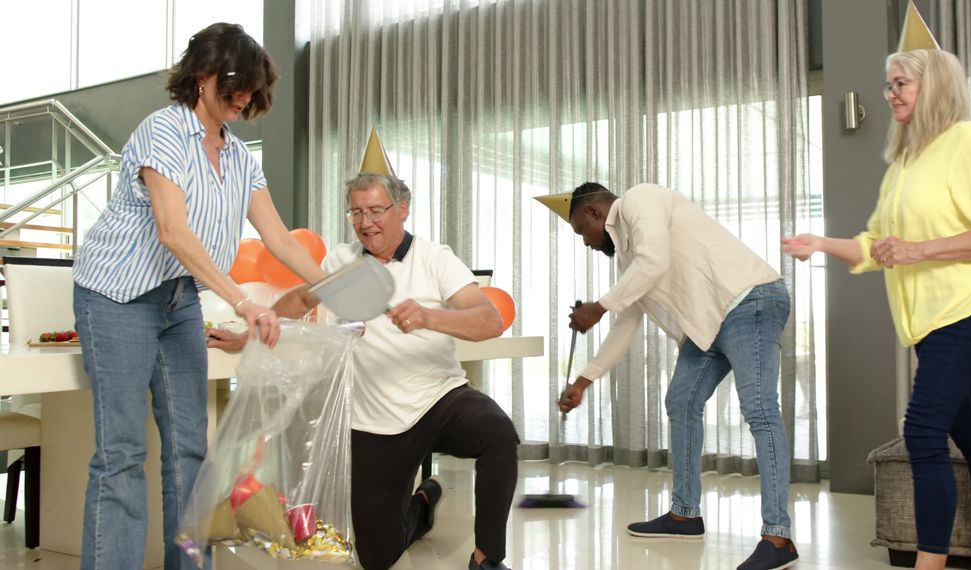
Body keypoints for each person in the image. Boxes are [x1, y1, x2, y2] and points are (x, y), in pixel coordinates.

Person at [71, 23, 326, 570]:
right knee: (123, 455)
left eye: (252, 92)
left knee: (190, 449)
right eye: (237, 87)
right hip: (115, 297)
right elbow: (173, 232)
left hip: (176, 302)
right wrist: (244, 302)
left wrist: (333, 286)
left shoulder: (238, 157)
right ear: (204, 76)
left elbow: (279, 239)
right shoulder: (162, 132)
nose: (244, 100)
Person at [782, 47, 971, 569]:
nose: (890, 93)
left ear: (933, 86)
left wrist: (919, 250)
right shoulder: (902, 162)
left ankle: (929, 564)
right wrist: (821, 244)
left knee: (921, 430)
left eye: (901, 84)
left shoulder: (967, 139)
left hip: (966, 303)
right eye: (888, 84)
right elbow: (877, 245)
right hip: (923, 318)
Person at [212, 171, 520, 570]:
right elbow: (302, 297)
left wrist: (428, 317)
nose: (365, 222)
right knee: (377, 558)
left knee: (498, 434)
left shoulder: (434, 257)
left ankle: (487, 558)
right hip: (372, 422)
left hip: (438, 398)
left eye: (376, 210)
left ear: (402, 209)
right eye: (356, 213)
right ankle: (424, 502)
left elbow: (489, 321)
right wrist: (247, 334)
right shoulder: (341, 261)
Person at [543, 182, 800, 570]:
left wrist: (598, 305)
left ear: (595, 213)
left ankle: (778, 536)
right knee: (681, 401)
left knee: (760, 410)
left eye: (582, 231)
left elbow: (655, 262)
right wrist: (583, 381)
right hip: (709, 325)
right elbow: (625, 323)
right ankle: (685, 515)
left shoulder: (640, 199)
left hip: (751, 300)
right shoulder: (629, 259)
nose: (586, 242)